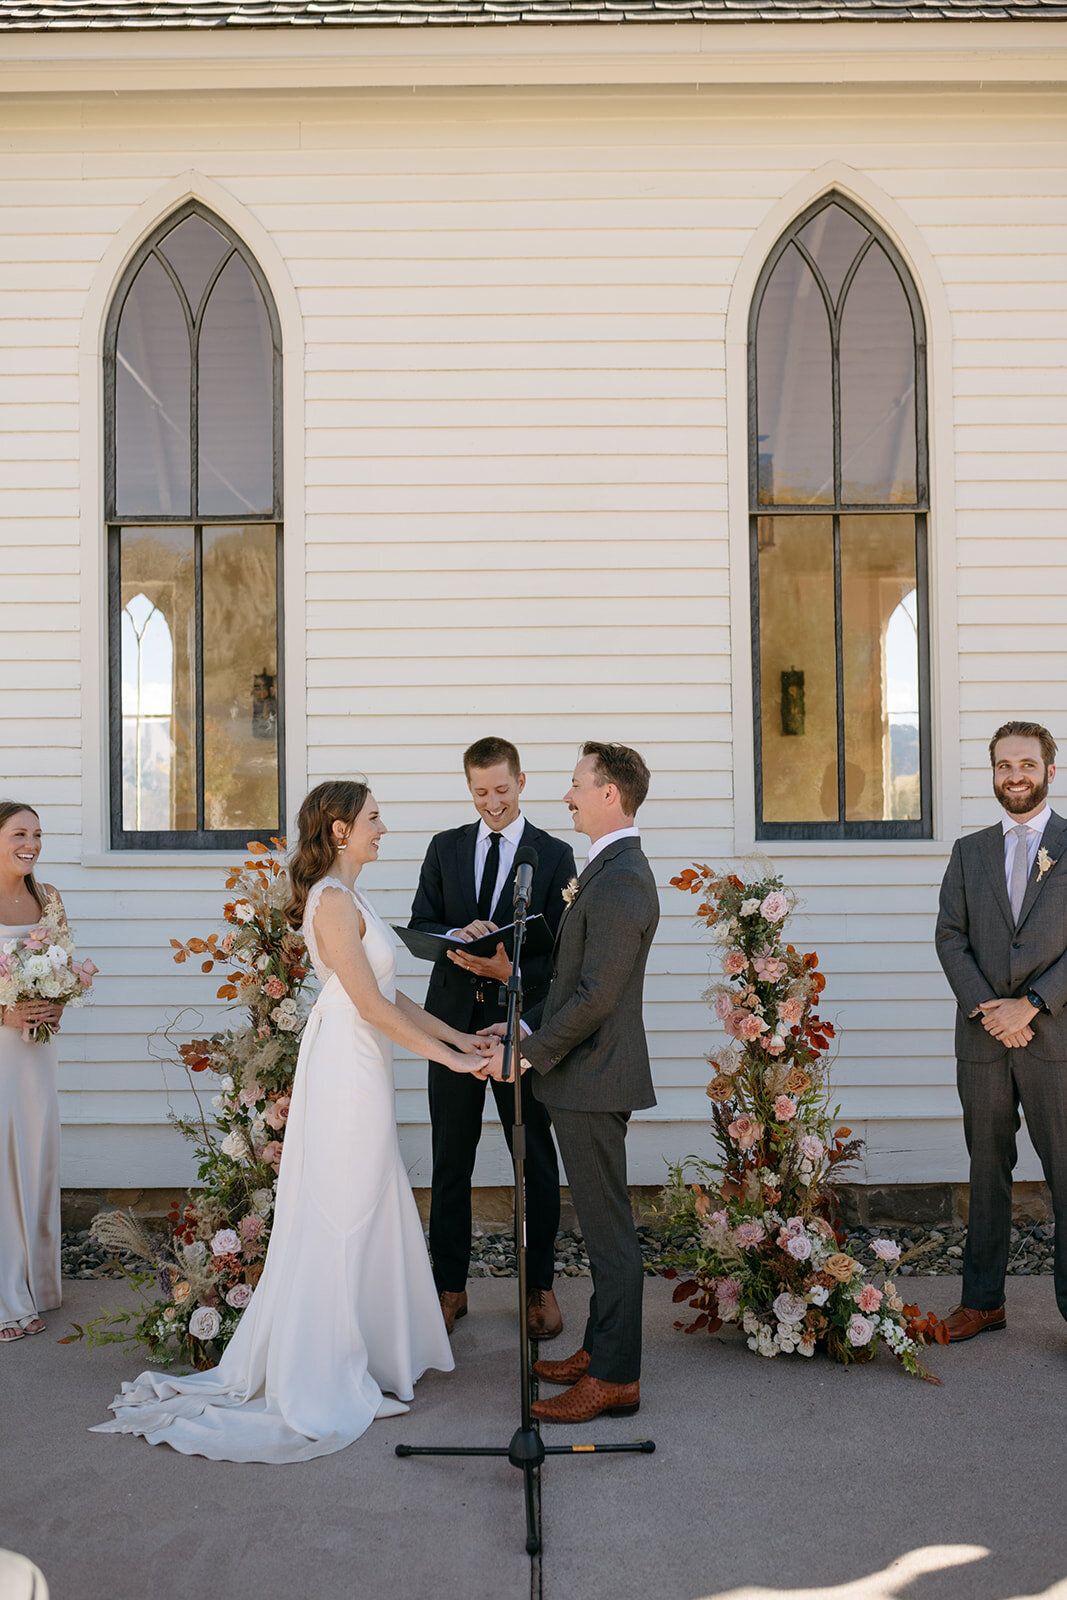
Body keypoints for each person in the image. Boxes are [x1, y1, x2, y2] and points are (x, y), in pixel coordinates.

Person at [94, 780, 489, 1462]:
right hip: (343, 1067)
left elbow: (393, 996)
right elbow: (369, 1006)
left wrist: (461, 1041)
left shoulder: (354, 896)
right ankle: (328, 1367)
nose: (382, 827)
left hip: (361, 1064)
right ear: (338, 830)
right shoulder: (331, 902)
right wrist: (450, 1064)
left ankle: (368, 1354)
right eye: (373, 817)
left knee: (368, 1201)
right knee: (343, 1207)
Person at [482, 742, 659, 1423]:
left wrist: (529, 1056)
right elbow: (565, 984)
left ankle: (615, 1378)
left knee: (609, 1234)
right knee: (599, 1226)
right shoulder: (606, 869)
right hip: (580, 1073)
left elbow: (594, 997)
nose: (567, 797)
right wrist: (521, 1030)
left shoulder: (621, 880)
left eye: (578, 785)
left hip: (594, 1079)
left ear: (609, 793)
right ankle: (596, 1348)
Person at [409, 736, 576, 1339]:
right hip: (450, 1027)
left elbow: (565, 954)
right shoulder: (444, 847)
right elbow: (422, 922)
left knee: (532, 1159)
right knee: (450, 1160)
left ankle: (539, 1292)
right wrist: (459, 933)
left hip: (521, 1028)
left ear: (522, 782)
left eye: (502, 790)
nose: (492, 803)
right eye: (481, 793)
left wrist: (514, 975)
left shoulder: (555, 855)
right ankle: (449, 1290)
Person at [935, 721, 1067, 1341]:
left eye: (1027, 764)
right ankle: (983, 1301)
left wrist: (1033, 1004)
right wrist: (993, 1007)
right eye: (1004, 765)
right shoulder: (969, 852)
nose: (1015, 775)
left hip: (1056, 1039)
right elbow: (950, 936)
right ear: (992, 772)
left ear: (1049, 771)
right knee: (987, 1168)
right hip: (984, 1040)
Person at [0, 801, 64, 1345]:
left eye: (38, 834)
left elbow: (63, 965)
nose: (32, 843)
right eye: (20, 833)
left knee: (37, 1154)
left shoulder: (49, 899)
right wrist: (5, 1013)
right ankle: (5, 1298)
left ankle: (36, 1283)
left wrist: (57, 1004)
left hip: (36, 1050)